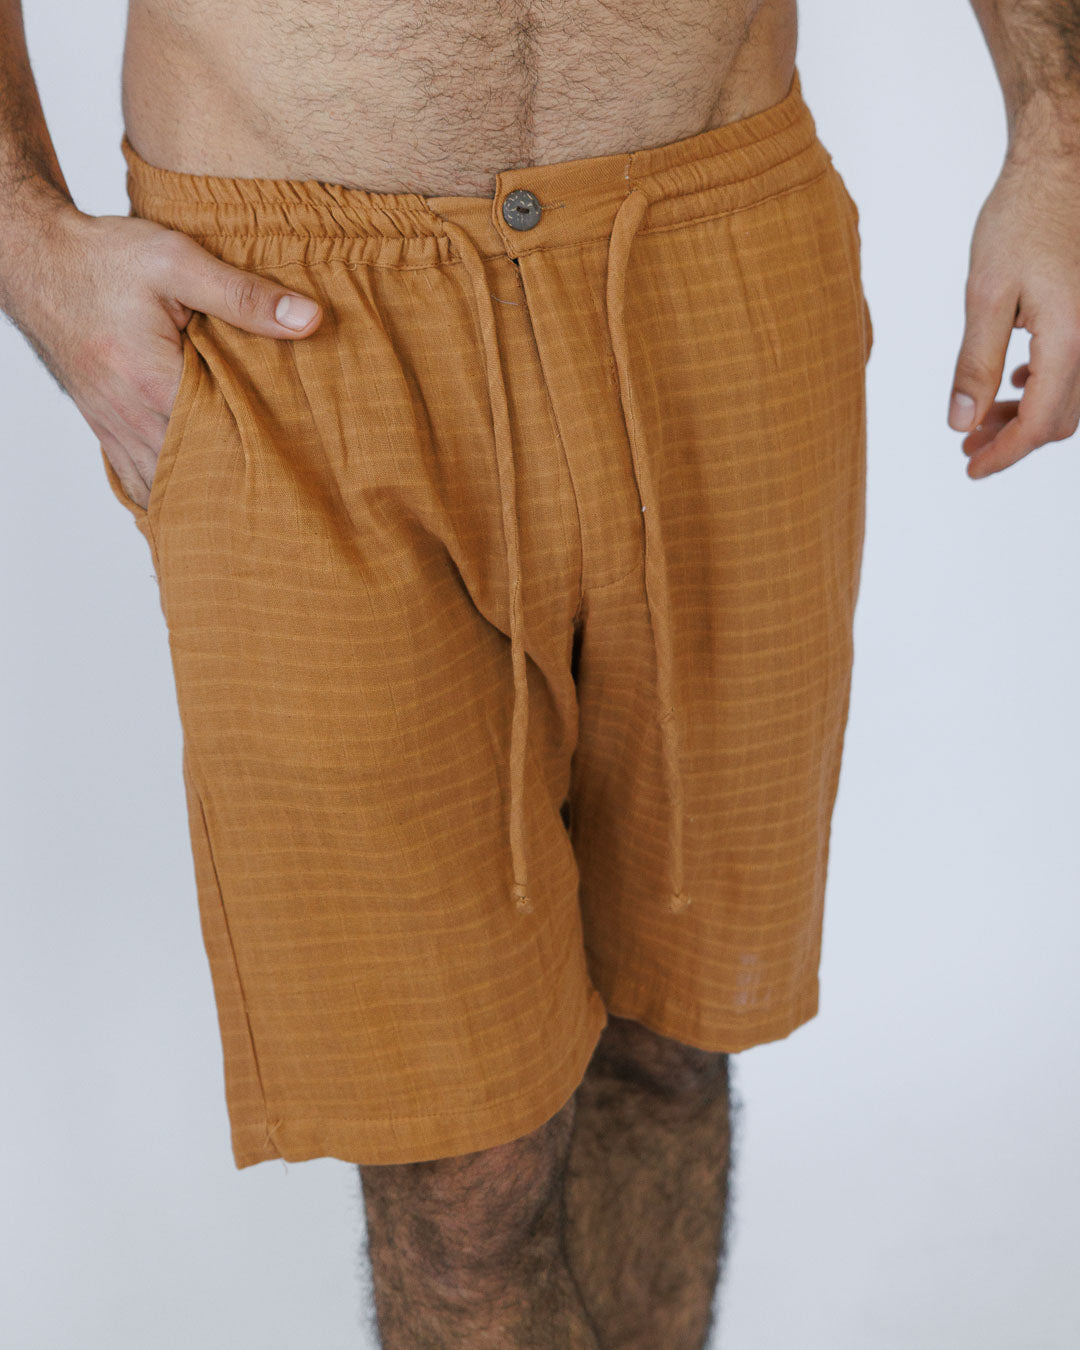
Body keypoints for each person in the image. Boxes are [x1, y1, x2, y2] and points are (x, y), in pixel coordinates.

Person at [2, 0, 1078, 1344]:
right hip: (290, 307)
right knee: (458, 1164)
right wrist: (28, 242)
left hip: (716, 237)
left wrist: (1057, 136)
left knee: (671, 1047)